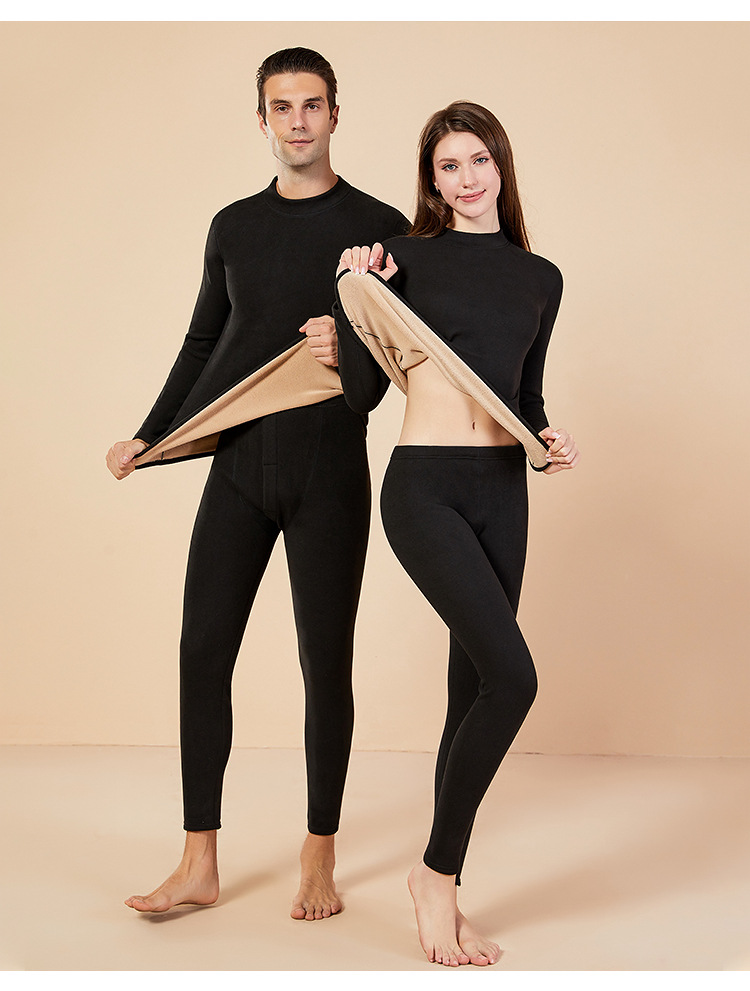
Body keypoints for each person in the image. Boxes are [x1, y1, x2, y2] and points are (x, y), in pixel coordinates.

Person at [105, 47, 408, 921]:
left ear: (336, 114)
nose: (298, 121)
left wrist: (346, 346)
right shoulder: (233, 226)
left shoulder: (380, 227)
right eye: (283, 106)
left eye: (313, 104)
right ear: (264, 119)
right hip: (239, 468)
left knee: (325, 661)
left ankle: (320, 853)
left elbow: (396, 362)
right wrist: (152, 433)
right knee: (202, 650)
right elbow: (204, 341)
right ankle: (198, 858)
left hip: (329, 471)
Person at [333, 101, 580, 965]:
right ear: (431, 182)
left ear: (500, 166)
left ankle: (447, 884)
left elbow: (525, 395)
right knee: (514, 679)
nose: (467, 178)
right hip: (426, 487)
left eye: (479, 160)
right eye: (448, 165)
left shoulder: (541, 276)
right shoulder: (403, 257)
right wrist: (351, 290)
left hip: (504, 491)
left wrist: (547, 441)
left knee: (469, 690)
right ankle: (433, 876)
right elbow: (362, 392)